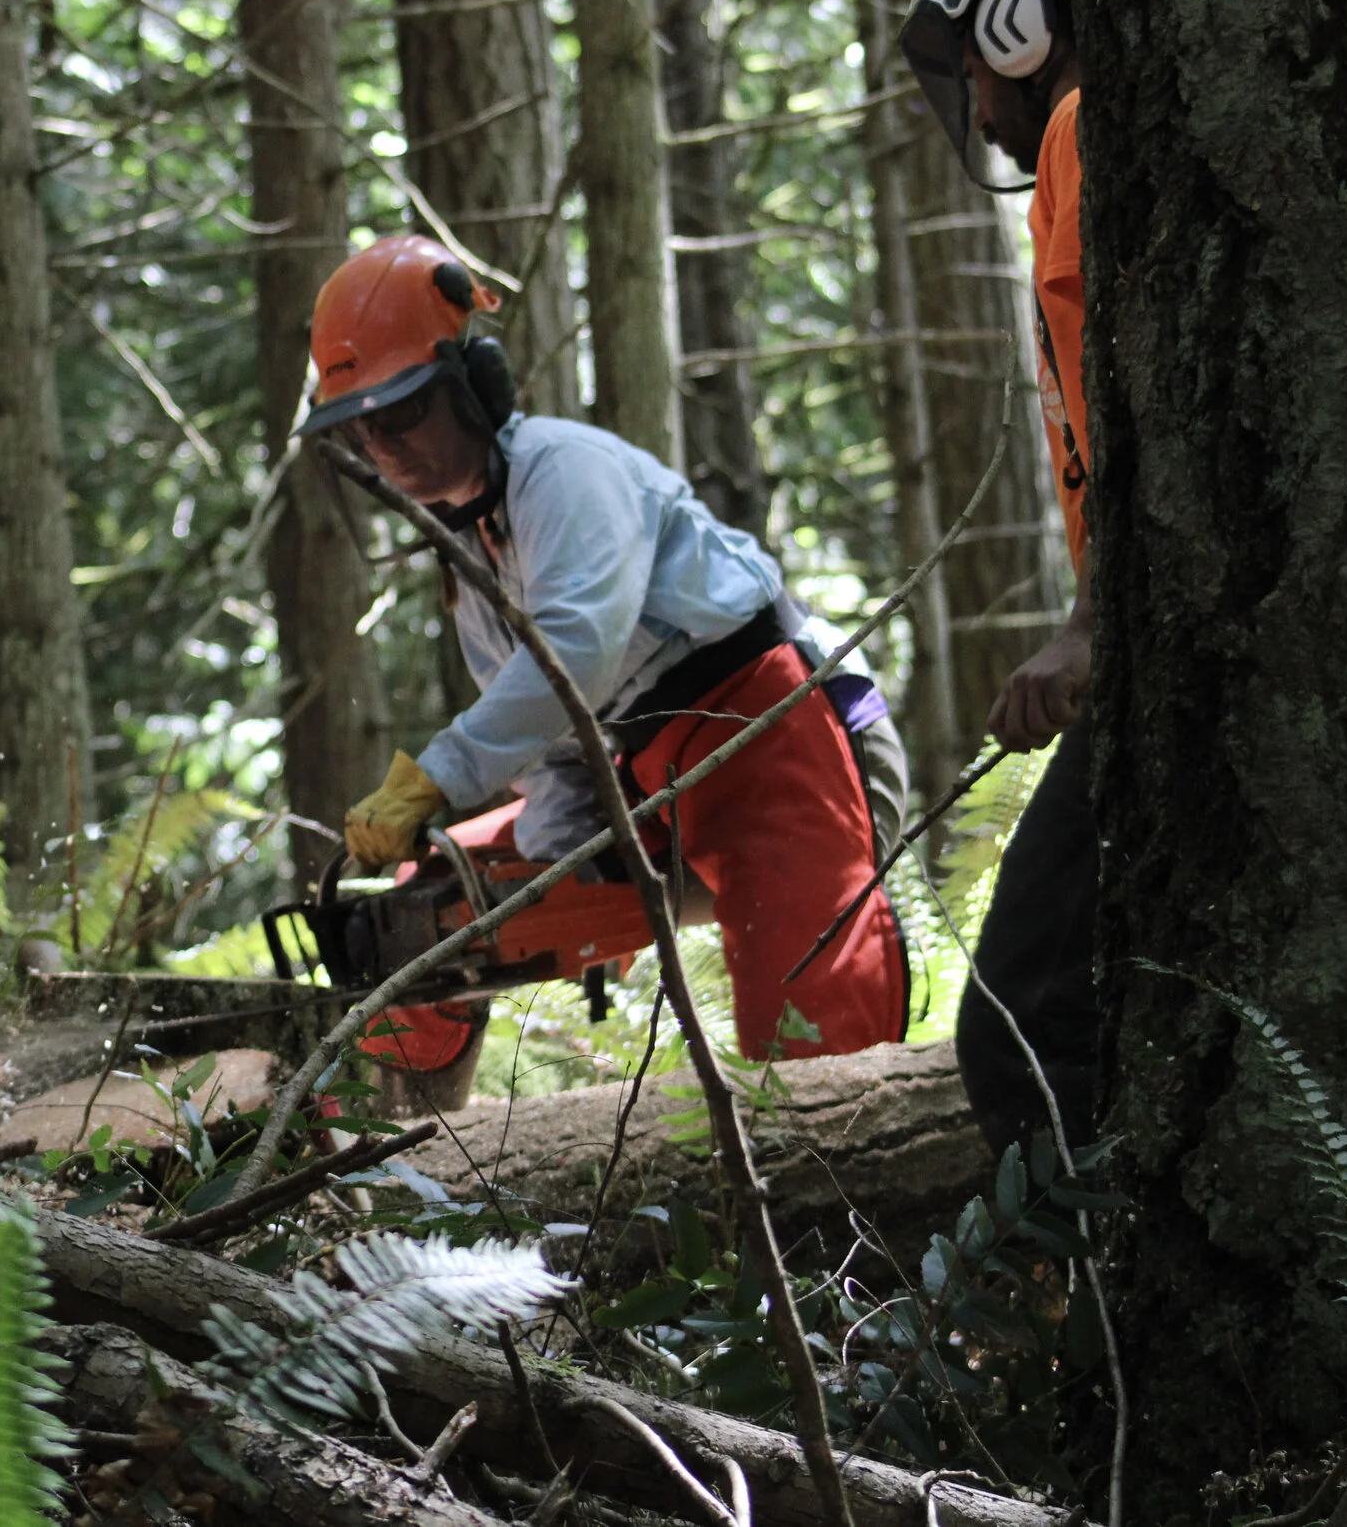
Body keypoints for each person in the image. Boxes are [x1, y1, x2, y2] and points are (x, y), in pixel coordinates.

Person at [307, 235, 910, 1075]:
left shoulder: (564, 472)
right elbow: (555, 739)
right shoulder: (471, 558)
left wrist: (439, 772)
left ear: (472, 384)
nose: (386, 442)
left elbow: (574, 653)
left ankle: (856, 1182)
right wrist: (560, 860)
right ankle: (390, 1143)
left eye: (403, 408)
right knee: (425, 907)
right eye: (364, 426)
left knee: (808, 1033)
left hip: (770, 727)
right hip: (643, 770)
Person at [900, 0, 1097, 1155]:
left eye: (971, 65)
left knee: (1018, 1017)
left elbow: (1139, 381)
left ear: (1022, 14)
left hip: (1155, 634)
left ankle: (1087, 1333)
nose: (975, 102)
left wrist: (1099, 621)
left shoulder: (1082, 127)